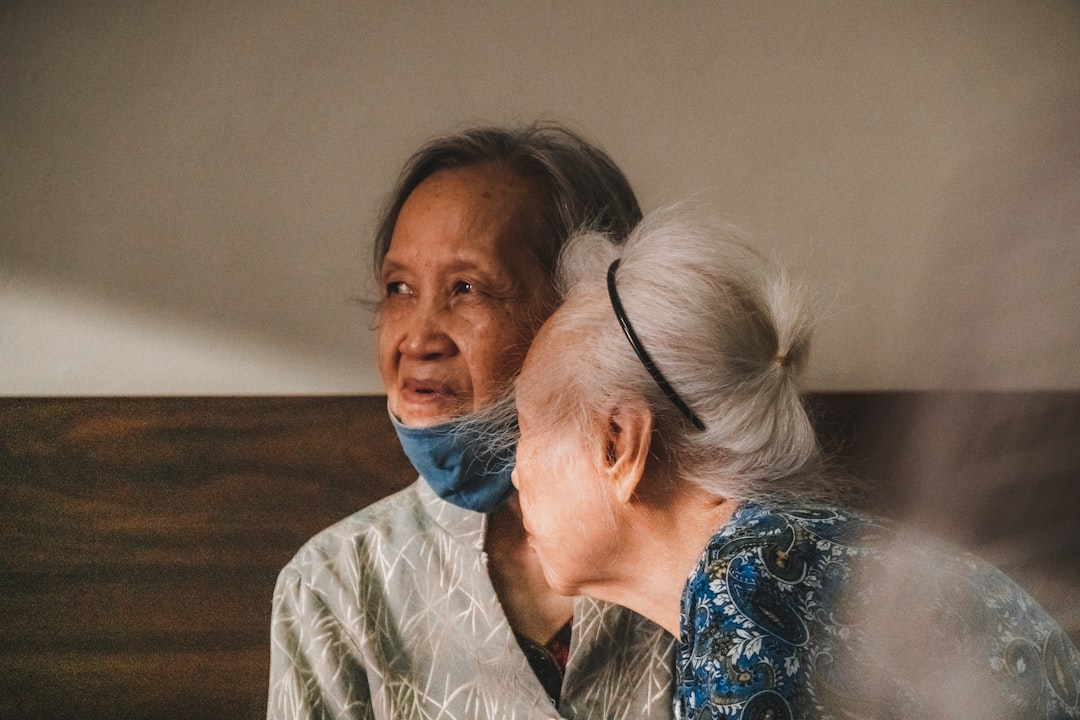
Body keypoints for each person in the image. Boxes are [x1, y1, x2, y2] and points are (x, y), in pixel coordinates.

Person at [510, 206, 1080, 719]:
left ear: (618, 444)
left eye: (526, 430)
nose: (514, 472)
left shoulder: (745, 583)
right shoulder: (770, 559)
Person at [267, 123, 675, 719]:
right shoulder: (335, 583)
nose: (417, 338)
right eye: (399, 288)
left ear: (584, 316)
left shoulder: (706, 556)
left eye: (467, 289)